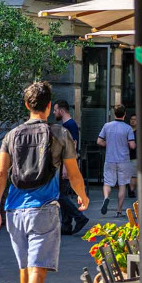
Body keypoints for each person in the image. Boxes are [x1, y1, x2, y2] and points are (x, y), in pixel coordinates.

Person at [0, 81, 89, 283]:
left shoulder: (11, 135)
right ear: (49, 106)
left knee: (25, 269)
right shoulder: (60, 134)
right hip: (43, 209)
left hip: (13, 210)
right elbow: (73, 173)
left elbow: (1, 174)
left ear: (26, 105)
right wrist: (83, 196)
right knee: (38, 271)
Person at [52, 99, 88, 236]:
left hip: (66, 164)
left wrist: (67, 168)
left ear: (61, 110)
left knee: (59, 194)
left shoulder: (69, 125)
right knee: (62, 193)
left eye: (55, 110)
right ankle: (66, 225)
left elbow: (71, 146)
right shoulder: (68, 125)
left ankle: (79, 217)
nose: (54, 112)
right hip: (65, 164)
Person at [97, 105, 136, 216]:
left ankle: (106, 198)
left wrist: (107, 144)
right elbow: (132, 145)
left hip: (110, 159)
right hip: (124, 160)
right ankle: (119, 210)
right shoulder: (128, 128)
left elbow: (99, 141)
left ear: (114, 114)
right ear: (124, 114)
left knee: (107, 183)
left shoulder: (107, 126)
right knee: (122, 185)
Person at [127, 113, 138, 199]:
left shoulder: (139, 132)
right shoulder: (127, 130)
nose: (132, 121)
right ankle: (130, 189)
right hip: (126, 156)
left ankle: (131, 190)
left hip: (135, 156)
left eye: (134, 119)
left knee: (133, 175)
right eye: (131, 119)